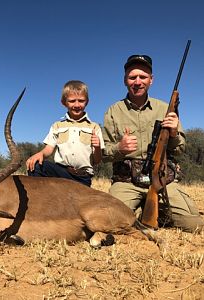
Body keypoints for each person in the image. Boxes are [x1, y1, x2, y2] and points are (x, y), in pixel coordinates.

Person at [103, 54, 204, 232]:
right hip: (127, 182)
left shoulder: (165, 108)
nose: (137, 81)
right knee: (109, 222)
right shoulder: (113, 110)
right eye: (132, 77)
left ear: (151, 80)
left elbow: (179, 150)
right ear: (125, 80)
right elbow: (103, 153)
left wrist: (173, 133)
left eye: (143, 77)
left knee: (193, 225)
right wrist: (119, 148)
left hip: (162, 179)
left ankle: (157, 211)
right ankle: (143, 209)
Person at [26, 80, 105, 187]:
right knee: (36, 165)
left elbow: (97, 160)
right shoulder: (57, 126)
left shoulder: (94, 127)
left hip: (82, 176)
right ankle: (37, 201)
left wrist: (97, 147)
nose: (77, 105)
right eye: (72, 101)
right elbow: (48, 149)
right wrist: (40, 154)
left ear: (87, 102)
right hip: (61, 173)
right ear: (64, 102)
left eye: (81, 101)